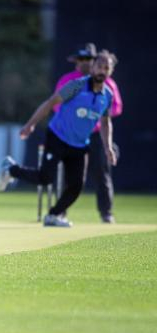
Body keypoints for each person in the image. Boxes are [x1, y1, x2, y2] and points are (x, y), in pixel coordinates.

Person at [0, 52, 117, 227]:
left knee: (76, 186)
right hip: (58, 136)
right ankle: (11, 169)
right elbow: (50, 103)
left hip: (80, 145)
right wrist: (30, 124)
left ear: (110, 71)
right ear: (93, 67)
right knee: (45, 178)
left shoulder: (108, 96)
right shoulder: (76, 86)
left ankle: (53, 215)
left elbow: (105, 123)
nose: (102, 71)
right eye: (99, 66)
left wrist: (108, 147)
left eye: (106, 68)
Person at [54, 45, 123, 223]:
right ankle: (60, 212)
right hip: (71, 135)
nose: (84, 64)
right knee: (69, 175)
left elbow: (115, 108)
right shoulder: (69, 80)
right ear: (76, 62)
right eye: (81, 60)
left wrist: (94, 113)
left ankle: (106, 213)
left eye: (87, 60)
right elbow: (56, 104)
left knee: (102, 173)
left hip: (96, 135)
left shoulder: (106, 83)